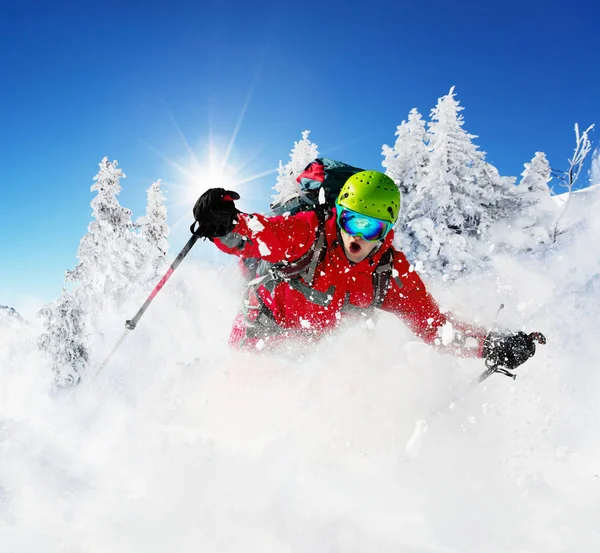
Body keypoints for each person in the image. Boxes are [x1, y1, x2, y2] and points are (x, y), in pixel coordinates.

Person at [191, 170, 544, 370]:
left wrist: (492, 346)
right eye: (350, 221)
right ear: (338, 216)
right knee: (248, 400)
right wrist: (225, 224)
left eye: (371, 228)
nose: (356, 237)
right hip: (261, 332)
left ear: (388, 233)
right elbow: (260, 235)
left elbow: (435, 328)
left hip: (308, 353)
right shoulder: (307, 233)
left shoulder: (388, 275)